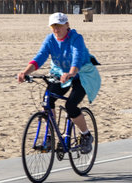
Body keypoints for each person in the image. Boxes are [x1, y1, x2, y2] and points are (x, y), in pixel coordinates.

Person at [16, 12, 100, 154]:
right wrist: (25, 73)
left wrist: (71, 73)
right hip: (60, 73)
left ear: (67, 25)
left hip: (82, 74)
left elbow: (77, 58)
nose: (57, 29)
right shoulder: (50, 40)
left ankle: (86, 135)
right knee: (47, 100)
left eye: (59, 25)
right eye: (54, 26)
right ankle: (49, 137)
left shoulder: (76, 38)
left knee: (71, 105)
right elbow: (40, 57)